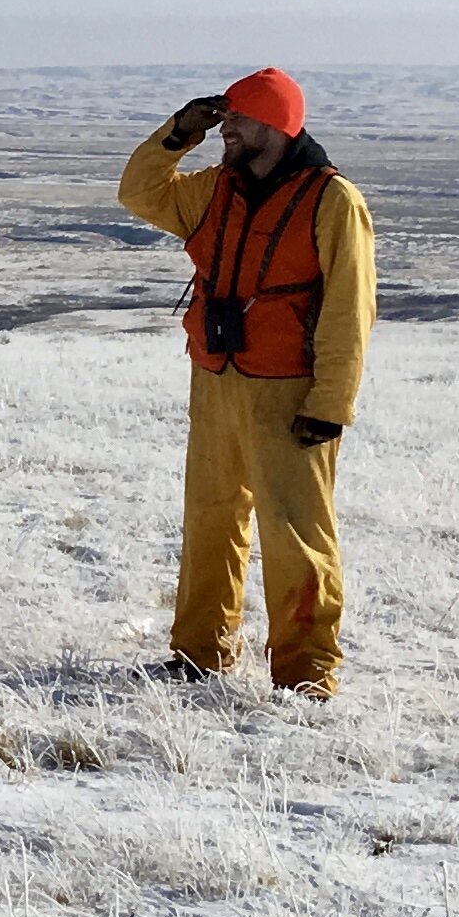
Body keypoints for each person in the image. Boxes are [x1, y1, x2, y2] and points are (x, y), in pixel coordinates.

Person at [117, 67, 376, 695]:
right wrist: (178, 133)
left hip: (291, 391)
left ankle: (306, 673)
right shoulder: (214, 189)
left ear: (277, 124)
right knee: (209, 520)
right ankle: (200, 655)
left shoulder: (332, 200)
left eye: (238, 118)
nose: (226, 127)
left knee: (295, 534)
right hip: (216, 379)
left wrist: (331, 403)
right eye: (224, 116)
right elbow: (138, 192)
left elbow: (350, 305)